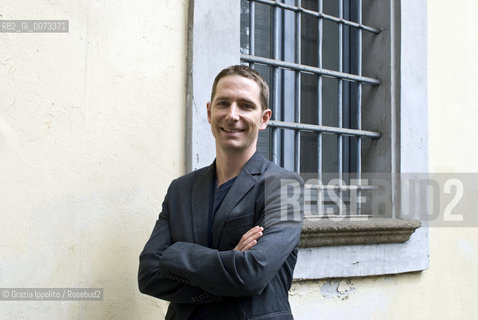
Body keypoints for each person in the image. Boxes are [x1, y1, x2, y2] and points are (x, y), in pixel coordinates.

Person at [138, 65, 303, 320]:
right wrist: (229, 264)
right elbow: (149, 274)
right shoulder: (180, 190)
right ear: (209, 111)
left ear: (264, 119)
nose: (232, 115)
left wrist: (177, 253)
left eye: (246, 105)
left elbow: (252, 274)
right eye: (223, 103)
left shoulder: (284, 187)